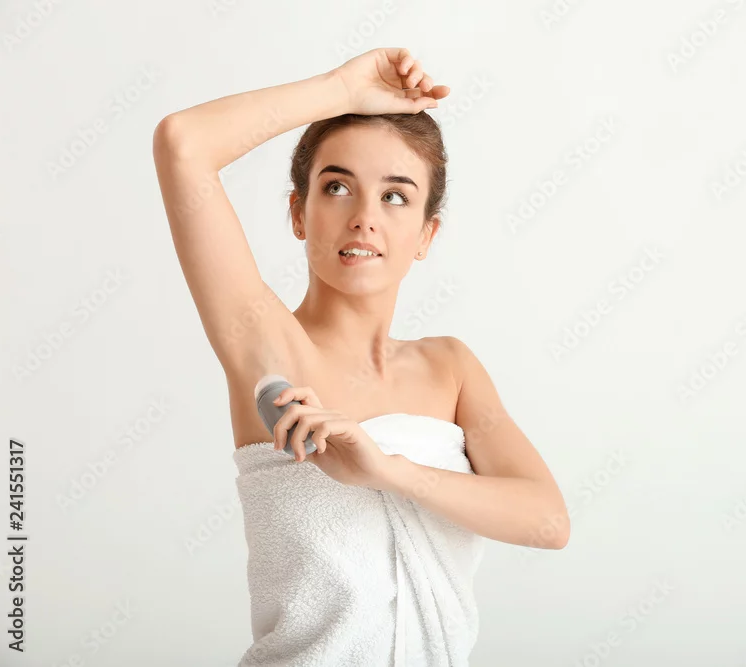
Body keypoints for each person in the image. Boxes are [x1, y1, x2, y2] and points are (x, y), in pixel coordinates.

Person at [152, 47, 570, 665]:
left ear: (426, 235)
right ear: (299, 213)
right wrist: (340, 89)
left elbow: (548, 522)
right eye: (337, 187)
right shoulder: (267, 347)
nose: (364, 218)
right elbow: (182, 143)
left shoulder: (450, 368)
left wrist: (387, 470)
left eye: (395, 197)